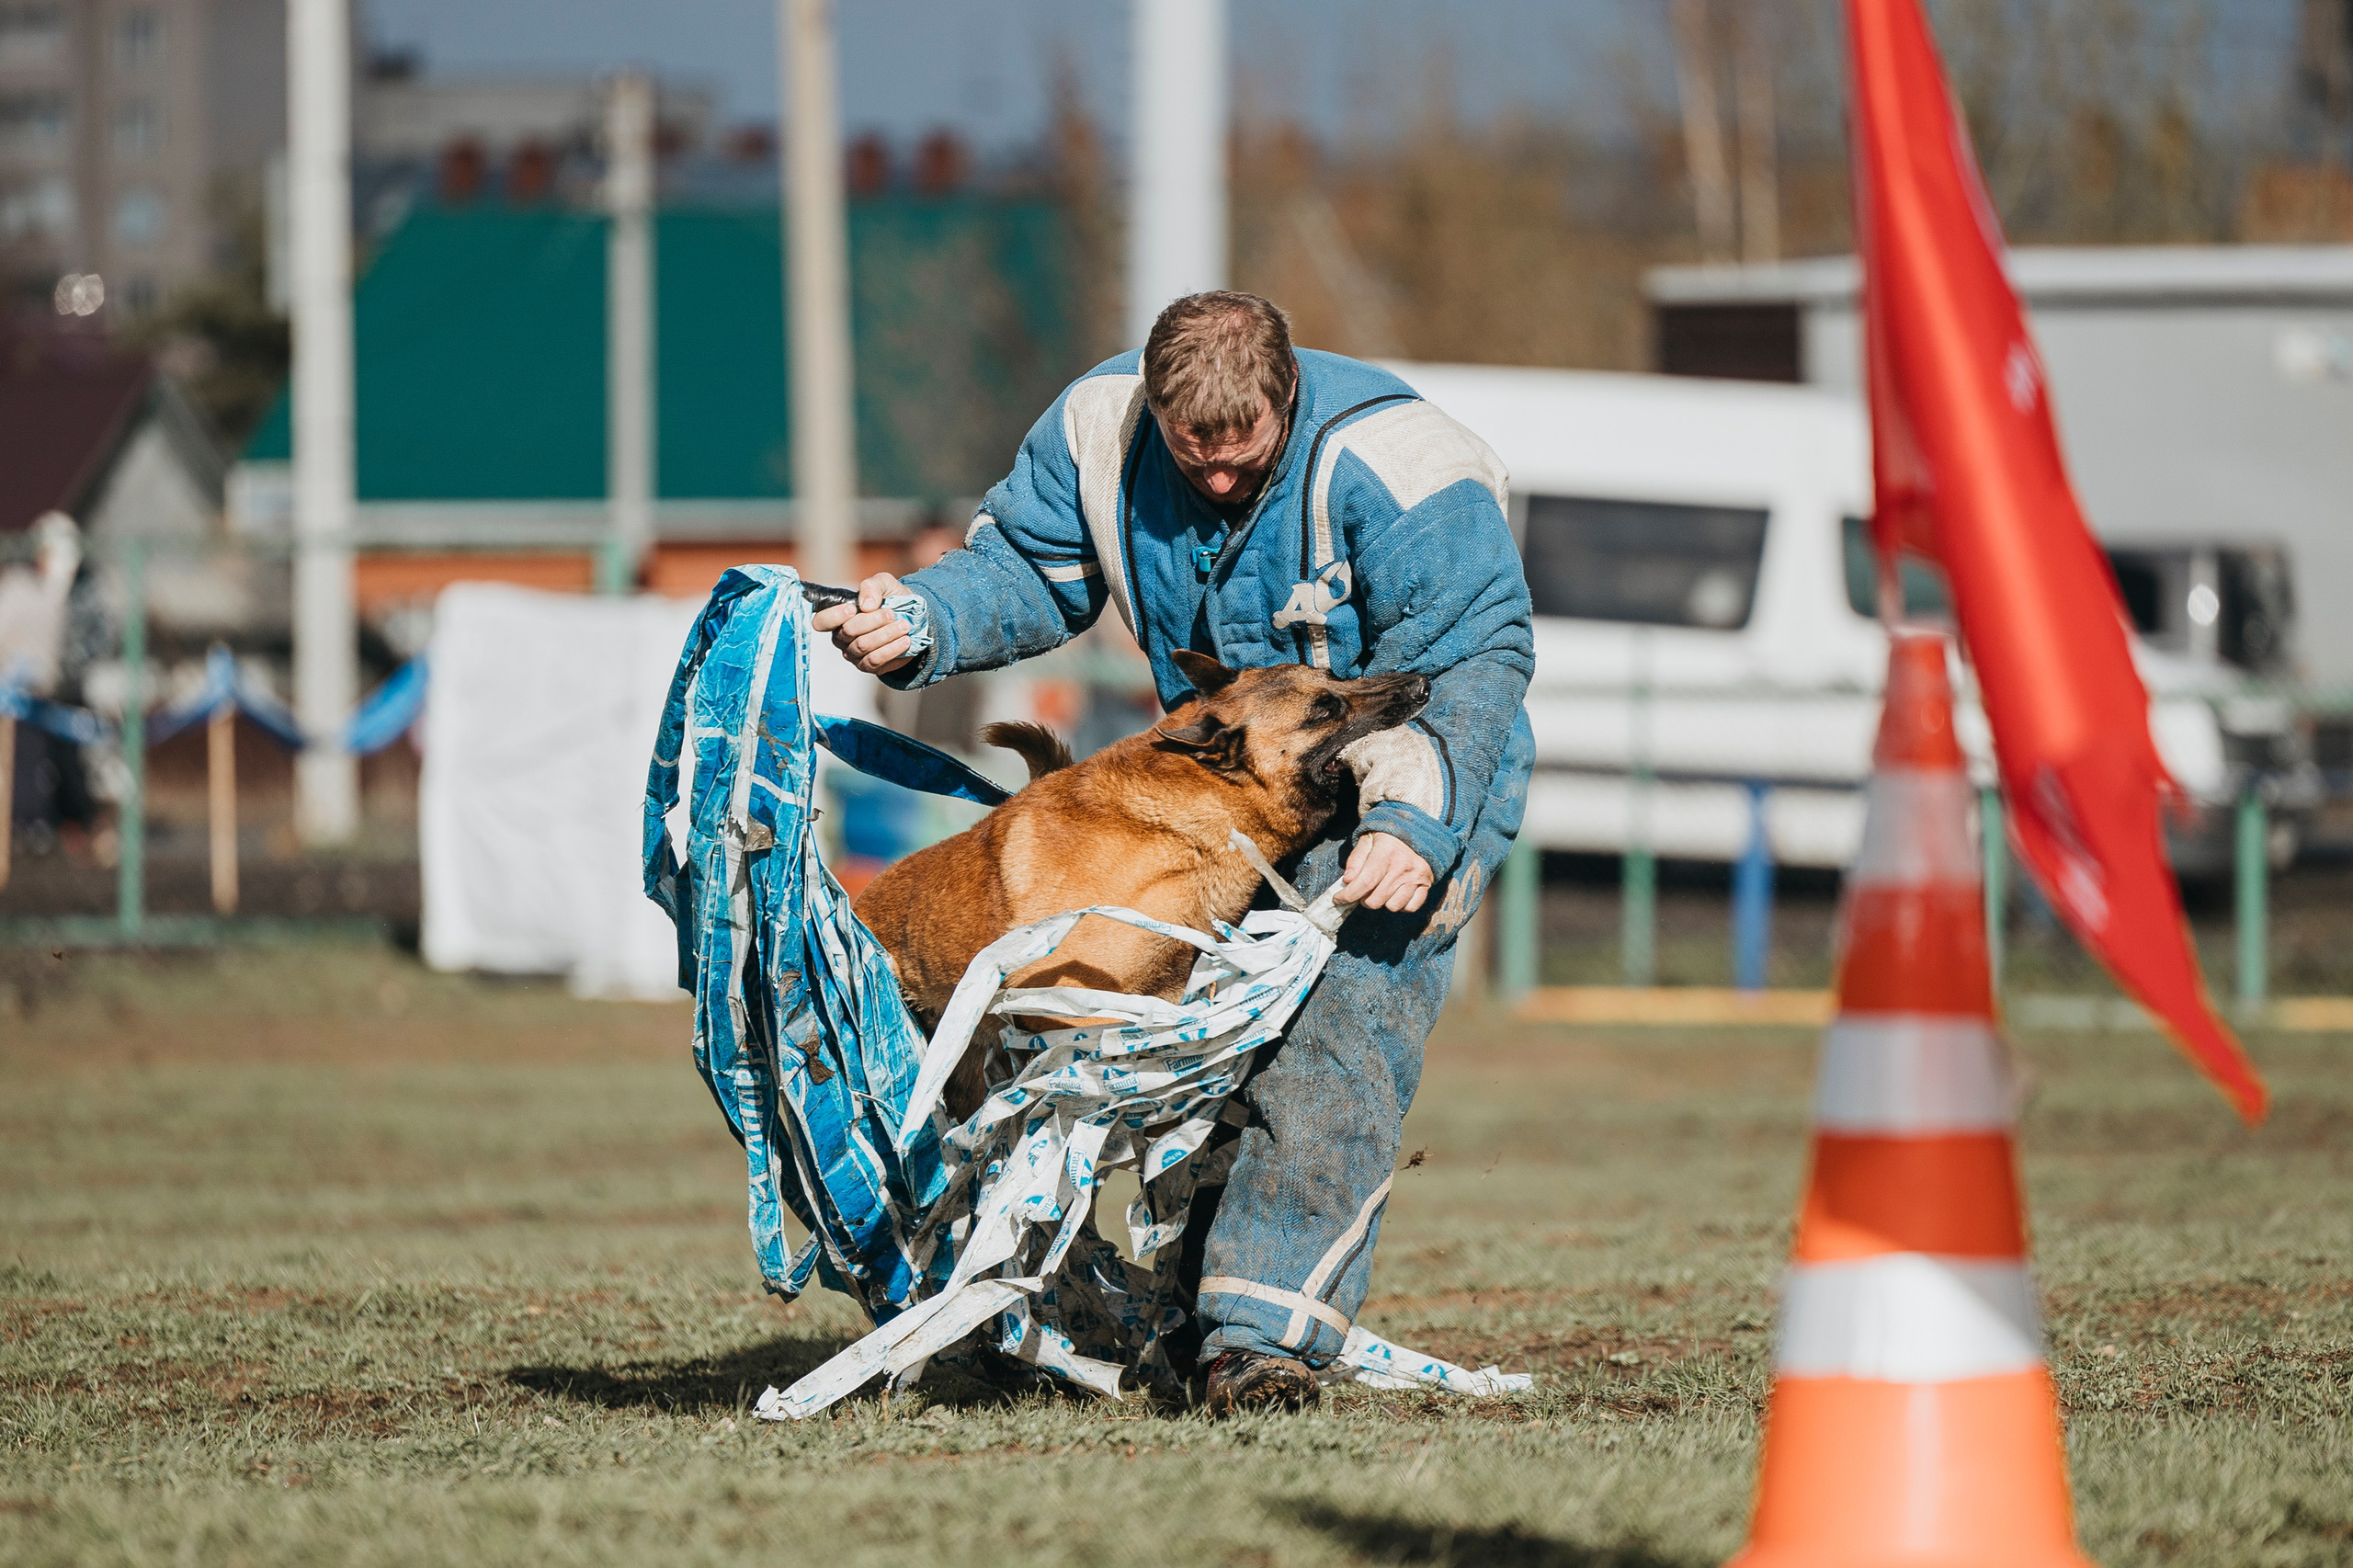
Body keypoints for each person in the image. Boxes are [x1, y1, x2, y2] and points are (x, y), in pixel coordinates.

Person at [814, 291, 1534, 1415]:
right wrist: (924, 619)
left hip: (1419, 762)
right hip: (1232, 791)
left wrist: (1411, 825)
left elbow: (1474, 659)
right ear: (1154, 406)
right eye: (1189, 456)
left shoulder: (1400, 463)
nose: (1210, 484)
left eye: (1239, 459)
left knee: (1337, 1022)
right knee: (1206, 1055)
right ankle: (1178, 1318)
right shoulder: (1098, 425)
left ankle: (1257, 1345)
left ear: (1286, 395)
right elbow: (1027, 571)